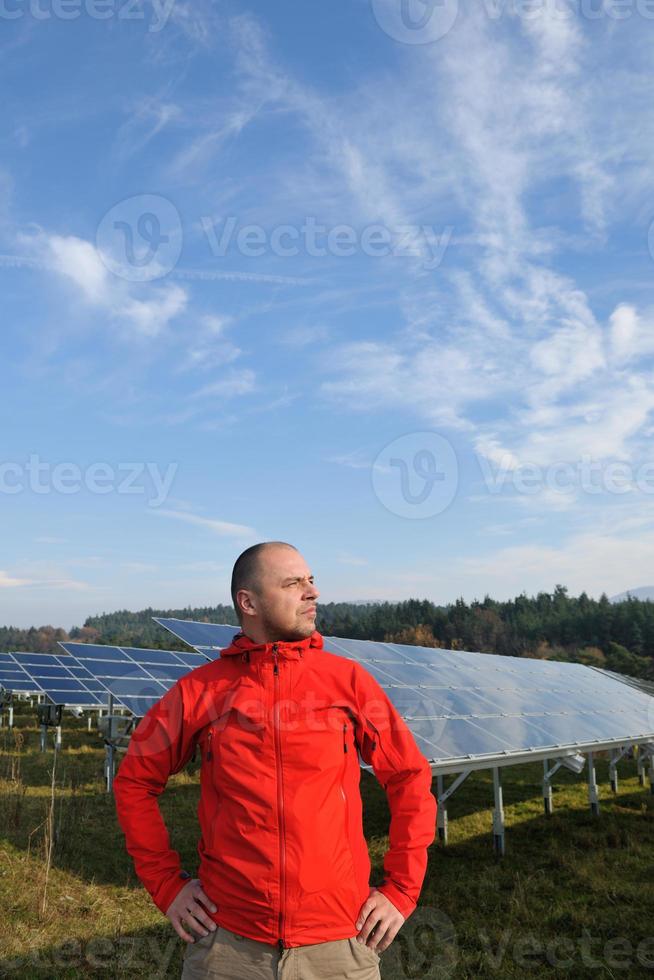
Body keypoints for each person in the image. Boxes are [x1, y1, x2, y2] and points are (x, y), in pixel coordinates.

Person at [114, 542, 437, 979]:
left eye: (311, 580)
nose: (312, 592)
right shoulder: (199, 691)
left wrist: (401, 889)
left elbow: (409, 777)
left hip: (339, 943)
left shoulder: (349, 683)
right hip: (227, 945)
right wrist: (167, 885)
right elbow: (134, 781)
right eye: (293, 583)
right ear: (248, 602)